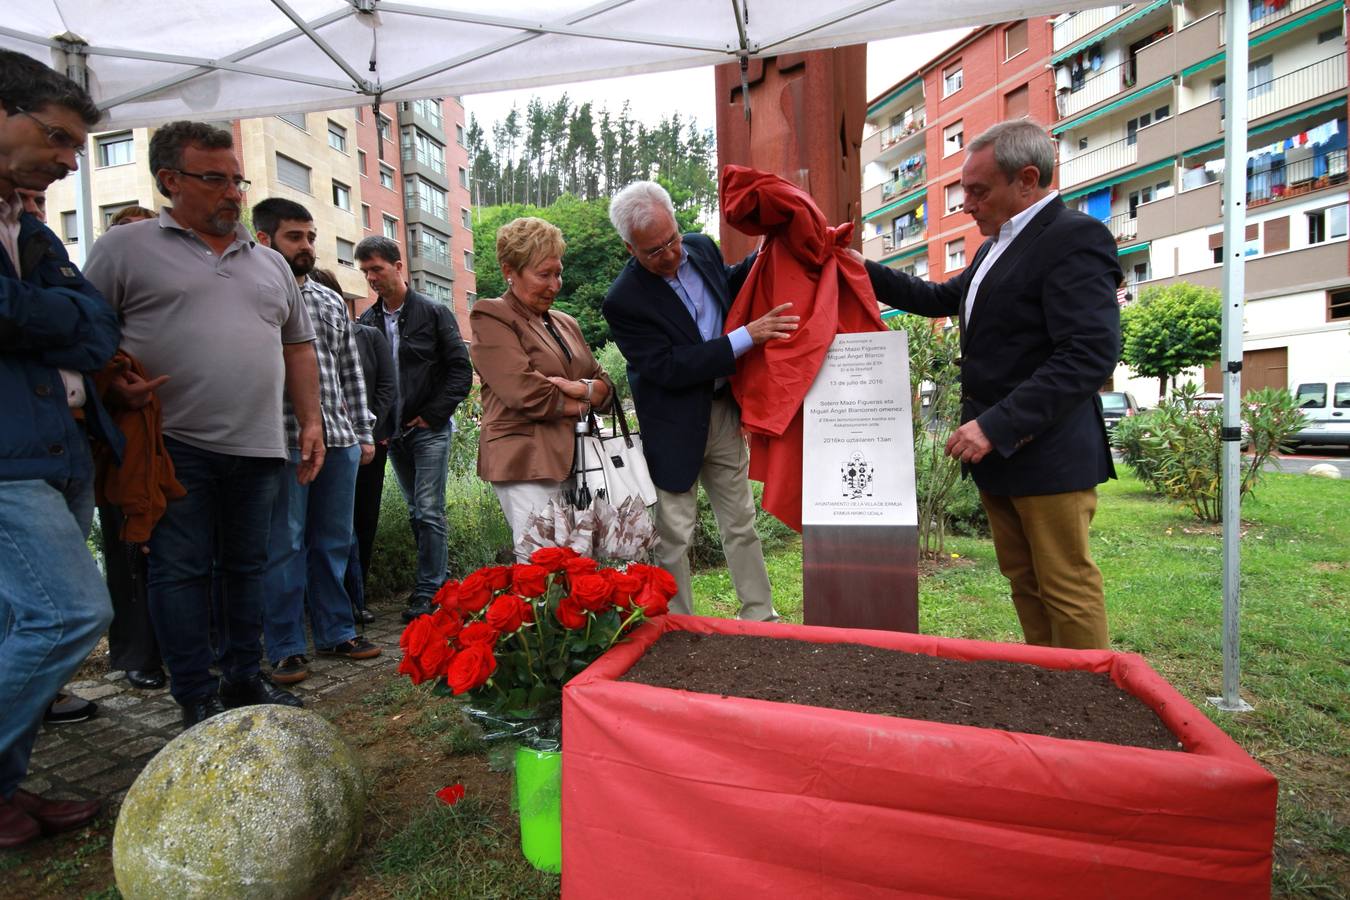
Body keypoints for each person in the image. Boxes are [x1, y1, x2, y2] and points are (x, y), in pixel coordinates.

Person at [84, 120, 324, 727]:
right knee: (181, 569)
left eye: (236, 180)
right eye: (214, 179)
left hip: (259, 444)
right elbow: (85, 337)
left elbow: (298, 346)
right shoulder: (122, 249)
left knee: (248, 567)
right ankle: (195, 693)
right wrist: (111, 381)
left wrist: (311, 421)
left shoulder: (269, 263)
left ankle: (244, 678)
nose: (233, 194)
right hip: (170, 446)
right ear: (170, 180)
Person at [861, 119, 1121, 650]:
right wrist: (856, 267)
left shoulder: (1074, 237)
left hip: (1047, 452)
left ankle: (1088, 713)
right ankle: (1048, 686)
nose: (967, 205)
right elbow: (936, 298)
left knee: (1065, 586)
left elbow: (1089, 354)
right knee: (1025, 582)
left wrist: (994, 426)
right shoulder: (993, 247)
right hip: (1000, 456)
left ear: (1027, 180)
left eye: (978, 191)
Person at [0, 48, 120, 848]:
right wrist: (52, 318)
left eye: (79, 146)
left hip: (59, 444)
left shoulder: (28, 223)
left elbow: (100, 327)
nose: (67, 159)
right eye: (58, 137)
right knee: (69, 612)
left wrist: (38, 315)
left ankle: (6, 792)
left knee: (18, 620)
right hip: (8, 456)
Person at [601, 182, 798, 621]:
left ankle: (760, 615)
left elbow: (725, 285)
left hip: (723, 412)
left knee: (741, 522)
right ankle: (675, 624)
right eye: (654, 251)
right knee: (674, 535)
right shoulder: (623, 301)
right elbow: (669, 366)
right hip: (672, 428)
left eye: (671, 239)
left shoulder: (700, 247)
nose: (671, 255)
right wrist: (748, 337)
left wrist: (767, 253)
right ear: (630, 248)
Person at [253, 199, 380, 686]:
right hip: (283, 441)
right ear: (264, 239)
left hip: (340, 438)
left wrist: (362, 433)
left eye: (310, 237)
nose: (306, 246)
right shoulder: (258, 296)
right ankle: (284, 647)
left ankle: (336, 631)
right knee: (283, 544)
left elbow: (351, 373)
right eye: (294, 237)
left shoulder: (329, 300)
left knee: (334, 541)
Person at [470, 217, 613, 560]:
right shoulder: (490, 315)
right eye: (543, 274)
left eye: (558, 273)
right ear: (510, 270)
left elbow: (607, 386)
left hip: (579, 461)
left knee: (583, 566)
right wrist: (586, 398)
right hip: (526, 462)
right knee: (542, 570)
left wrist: (580, 388)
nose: (555, 284)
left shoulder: (566, 322)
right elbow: (524, 391)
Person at [355, 237, 472, 622]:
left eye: (377, 269)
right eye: (366, 271)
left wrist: (433, 415)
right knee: (414, 510)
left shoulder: (434, 313)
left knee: (428, 509)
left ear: (398, 266)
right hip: (393, 433)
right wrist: (377, 426)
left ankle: (429, 590)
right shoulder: (367, 322)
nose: (372, 278)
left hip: (429, 428)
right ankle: (436, 580)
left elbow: (460, 370)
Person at [312, 268, 395, 625]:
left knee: (360, 522)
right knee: (323, 528)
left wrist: (371, 429)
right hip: (320, 440)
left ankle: (355, 600)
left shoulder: (368, 336)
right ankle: (324, 603)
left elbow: (386, 386)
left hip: (366, 440)